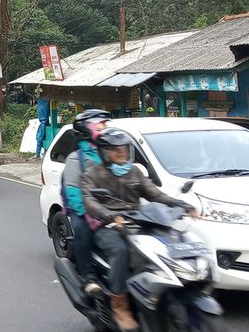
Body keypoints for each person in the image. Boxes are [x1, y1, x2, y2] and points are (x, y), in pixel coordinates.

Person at [82, 128, 197, 332]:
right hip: (108, 226)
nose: (121, 153)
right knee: (121, 251)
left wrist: (181, 205)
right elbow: (90, 202)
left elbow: (155, 194)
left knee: (167, 243)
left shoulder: (134, 172)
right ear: (104, 152)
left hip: (137, 222)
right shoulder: (93, 174)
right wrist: (108, 214)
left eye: (124, 149)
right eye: (115, 150)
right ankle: (121, 306)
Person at [61, 109, 111, 296]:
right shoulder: (76, 158)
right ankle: (88, 275)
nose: (105, 127)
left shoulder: (112, 151)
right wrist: (92, 213)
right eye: (101, 124)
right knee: (81, 230)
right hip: (85, 210)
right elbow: (73, 192)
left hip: (112, 207)